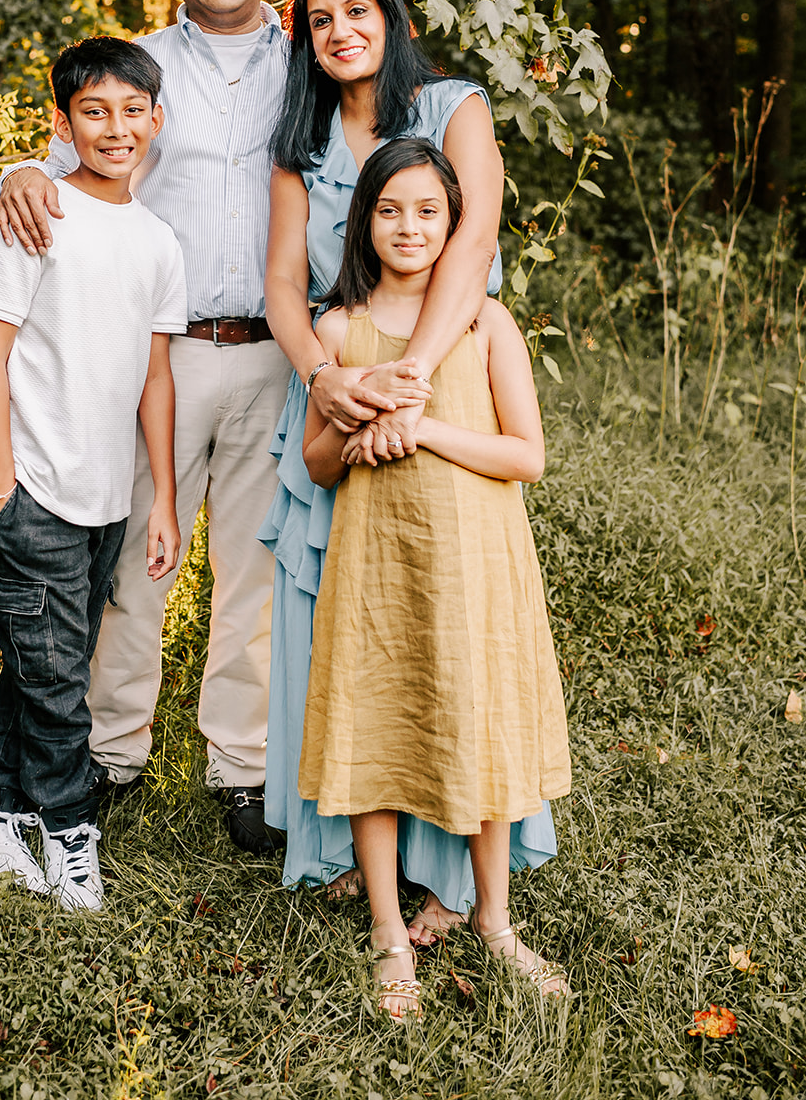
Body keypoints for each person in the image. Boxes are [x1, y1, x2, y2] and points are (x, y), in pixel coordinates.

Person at [0, 0, 394, 851]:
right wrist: (10, 173)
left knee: (253, 564)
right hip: (156, 356)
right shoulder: (140, 64)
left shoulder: (308, 63)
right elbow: (59, 167)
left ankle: (241, 768)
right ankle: (111, 751)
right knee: (132, 558)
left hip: (275, 350)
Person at [263, 0, 558, 932]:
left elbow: (472, 247)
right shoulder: (299, 140)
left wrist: (410, 387)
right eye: (319, 18)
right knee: (348, 640)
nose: (341, 30)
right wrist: (335, 379)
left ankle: (461, 880)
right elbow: (280, 288)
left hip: (437, 385)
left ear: (389, 15)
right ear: (304, 39)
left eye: (358, 9)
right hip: (341, 385)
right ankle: (352, 856)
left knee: (454, 642)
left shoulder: (453, 106)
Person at [300, 138, 572, 1018]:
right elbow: (316, 463)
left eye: (428, 211)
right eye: (389, 210)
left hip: (478, 566)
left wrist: (420, 430)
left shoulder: (487, 324)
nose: (408, 227)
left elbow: (525, 456)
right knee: (373, 729)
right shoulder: (339, 331)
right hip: (379, 568)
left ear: (457, 223)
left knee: (482, 727)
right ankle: (387, 931)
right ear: (363, 222)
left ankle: (494, 920)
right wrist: (355, 433)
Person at [0, 37, 187, 910]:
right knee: (56, 683)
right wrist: (2, 481)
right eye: (94, 111)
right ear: (62, 123)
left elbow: (156, 378)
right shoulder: (35, 216)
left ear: (157, 122)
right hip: (36, 485)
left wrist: (156, 496)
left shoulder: (158, 240)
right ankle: (67, 829)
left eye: (132, 112)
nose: (115, 128)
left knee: (46, 657)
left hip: (108, 492)